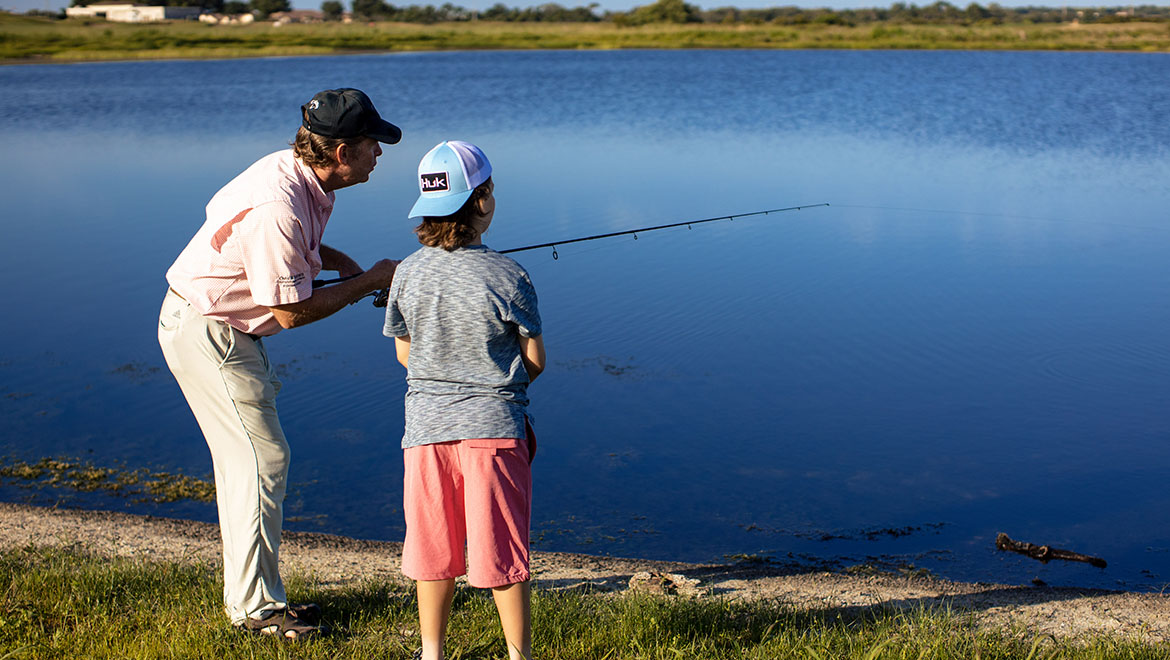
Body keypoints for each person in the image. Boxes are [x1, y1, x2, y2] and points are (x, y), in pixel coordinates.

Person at [158, 88, 402, 639]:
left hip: (219, 328)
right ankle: (255, 611)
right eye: (372, 145)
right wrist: (371, 281)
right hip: (210, 332)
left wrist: (339, 263)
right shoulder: (279, 205)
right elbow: (290, 312)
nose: (379, 155)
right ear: (341, 152)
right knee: (261, 461)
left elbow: (291, 253)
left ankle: (258, 599)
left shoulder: (298, 175)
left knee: (253, 462)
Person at [383, 141, 545, 660]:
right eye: (490, 191)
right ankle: (518, 655)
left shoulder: (405, 274)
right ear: (481, 202)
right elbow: (535, 360)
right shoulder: (509, 275)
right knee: (502, 549)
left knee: (433, 548)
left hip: (425, 433)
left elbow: (405, 356)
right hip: (494, 431)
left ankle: (432, 651)